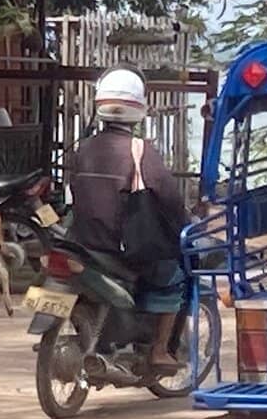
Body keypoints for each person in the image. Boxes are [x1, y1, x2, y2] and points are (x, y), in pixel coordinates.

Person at [69, 64, 191, 370]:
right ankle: (159, 350)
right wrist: (184, 225)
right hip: (120, 248)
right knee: (172, 275)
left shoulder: (84, 148)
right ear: (139, 108)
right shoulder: (139, 150)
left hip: (83, 242)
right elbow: (169, 197)